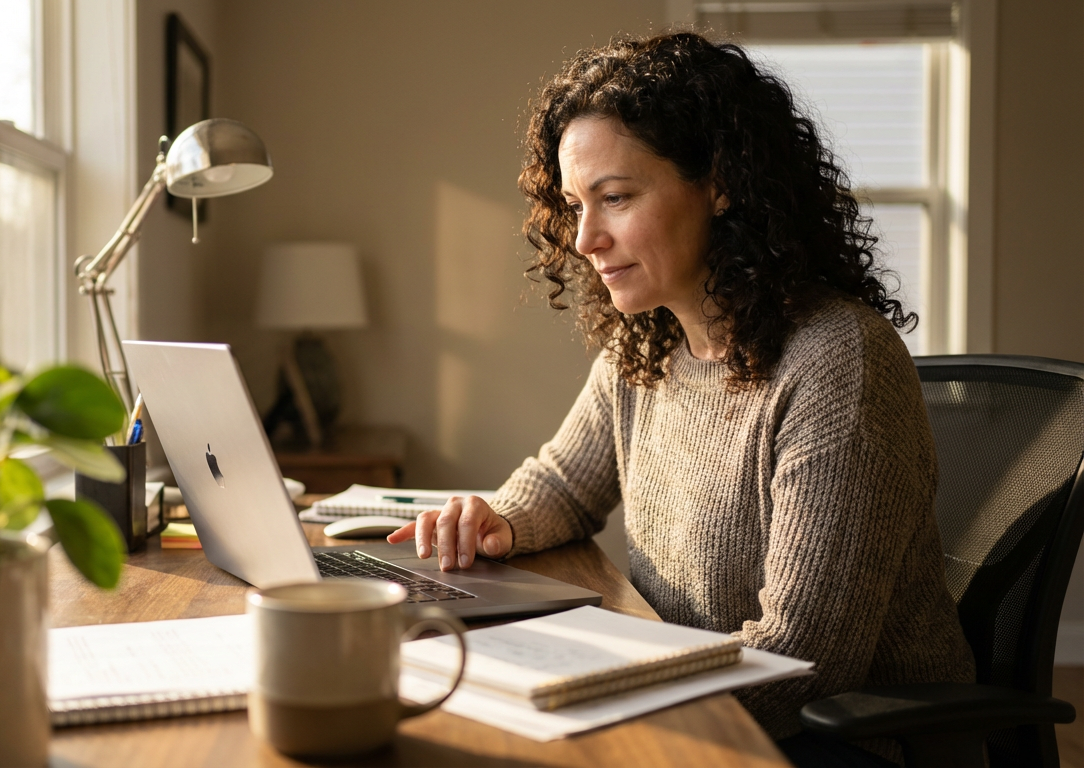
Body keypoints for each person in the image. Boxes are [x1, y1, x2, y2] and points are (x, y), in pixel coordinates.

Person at [387, 32, 975, 765]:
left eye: (617, 198)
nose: (586, 238)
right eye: (575, 205)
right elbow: (566, 483)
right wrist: (499, 517)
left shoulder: (837, 363)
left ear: (721, 184)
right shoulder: (649, 344)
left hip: (842, 741)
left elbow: (799, 660)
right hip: (697, 699)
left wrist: (593, 696)